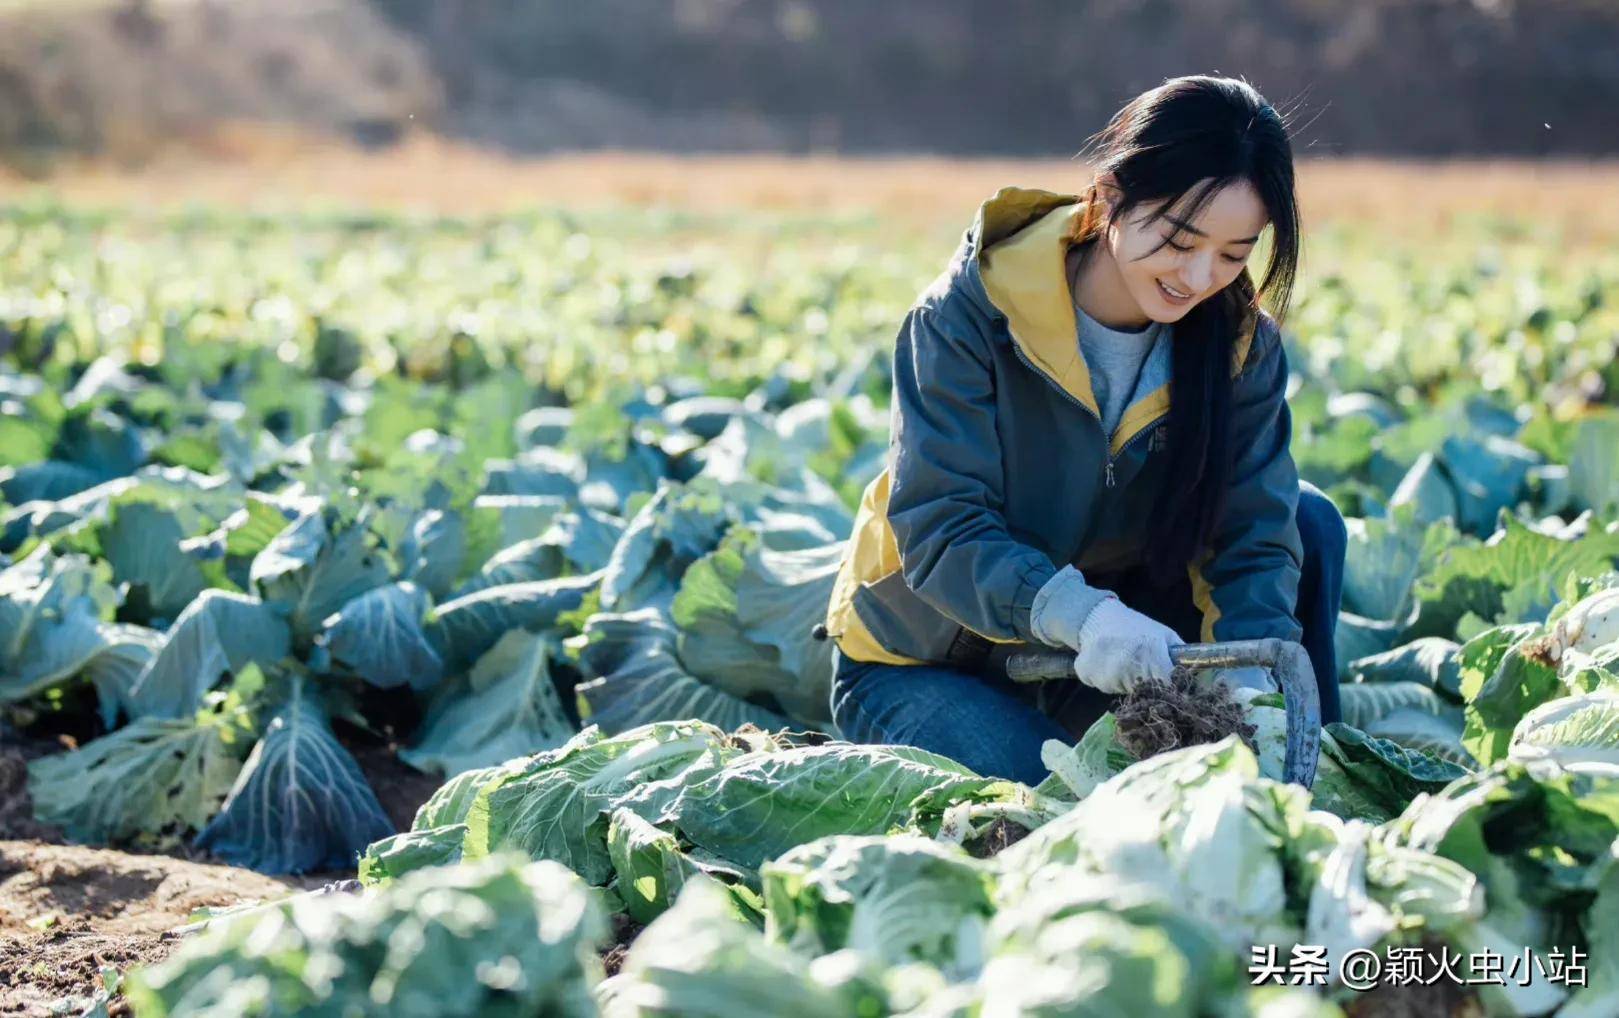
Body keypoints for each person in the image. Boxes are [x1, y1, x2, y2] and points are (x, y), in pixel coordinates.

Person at [820, 75, 1346, 787]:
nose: (1197, 277)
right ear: (1110, 194)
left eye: (1232, 254)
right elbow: (942, 529)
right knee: (1063, 809)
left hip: (1091, 662)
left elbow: (1250, 532)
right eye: (1179, 238)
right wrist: (1085, 617)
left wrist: (1252, 681)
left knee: (1309, 524)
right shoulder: (966, 320)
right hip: (934, 662)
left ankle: (1312, 765)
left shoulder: (1237, 346)